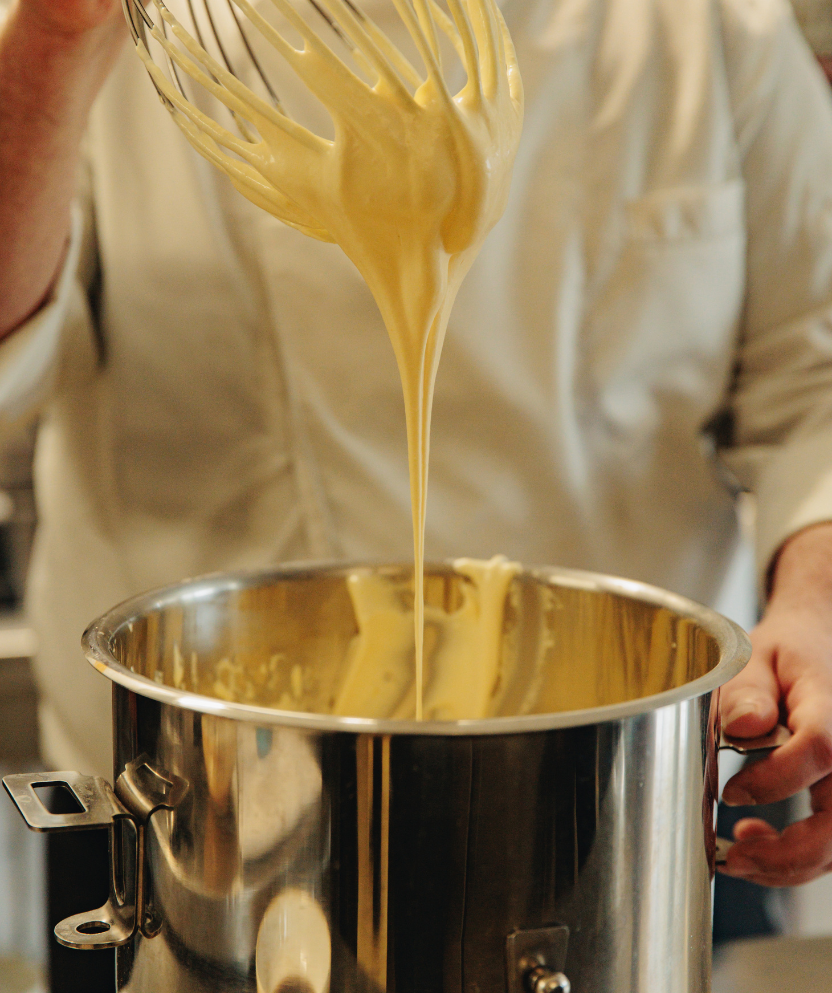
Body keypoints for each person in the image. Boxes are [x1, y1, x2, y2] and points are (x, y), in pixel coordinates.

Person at [3, 0, 832, 907]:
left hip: (631, 792)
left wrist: (820, 603)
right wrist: (52, 44)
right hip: (191, 808)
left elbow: (814, 382)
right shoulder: (98, 32)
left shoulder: (711, 28)